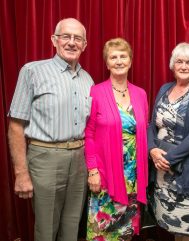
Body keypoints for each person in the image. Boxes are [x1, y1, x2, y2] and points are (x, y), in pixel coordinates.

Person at [7, 18, 94, 241]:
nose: (72, 42)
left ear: (84, 45)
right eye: (66, 36)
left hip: (80, 160)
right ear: (54, 40)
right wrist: (21, 173)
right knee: (46, 230)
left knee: (73, 226)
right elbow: (16, 125)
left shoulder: (88, 80)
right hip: (45, 158)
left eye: (78, 38)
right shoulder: (33, 71)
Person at [148, 42, 189, 241]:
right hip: (160, 169)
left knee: (186, 229)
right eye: (179, 61)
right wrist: (152, 149)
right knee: (169, 225)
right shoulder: (164, 88)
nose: (184, 66)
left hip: (188, 170)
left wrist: (168, 158)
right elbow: (151, 125)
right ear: (172, 65)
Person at [84, 37, 148, 241]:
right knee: (105, 232)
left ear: (130, 61)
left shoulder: (140, 94)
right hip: (105, 175)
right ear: (107, 62)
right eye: (113, 57)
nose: (119, 61)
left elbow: (144, 131)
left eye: (123, 56)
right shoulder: (96, 92)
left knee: (125, 230)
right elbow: (89, 134)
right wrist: (93, 170)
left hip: (133, 177)